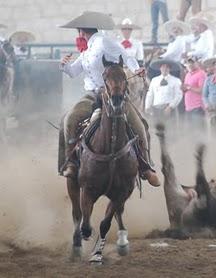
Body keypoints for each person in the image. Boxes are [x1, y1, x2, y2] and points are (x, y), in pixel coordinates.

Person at [59, 11, 160, 186]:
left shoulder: (104, 41)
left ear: (82, 31)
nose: (78, 34)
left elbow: (125, 54)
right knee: (69, 119)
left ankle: (145, 166)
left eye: (78, 31)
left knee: (140, 124)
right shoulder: (85, 51)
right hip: (91, 95)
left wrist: (136, 69)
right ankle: (70, 164)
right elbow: (73, 72)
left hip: (112, 93)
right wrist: (63, 65)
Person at [182, 56, 207, 128]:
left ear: (197, 63)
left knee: (198, 131)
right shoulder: (187, 75)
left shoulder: (201, 74)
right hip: (188, 107)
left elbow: (202, 90)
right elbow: (186, 89)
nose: (190, 64)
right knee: (191, 132)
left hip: (198, 107)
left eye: (192, 62)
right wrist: (184, 89)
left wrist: (188, 87)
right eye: (188, 63)